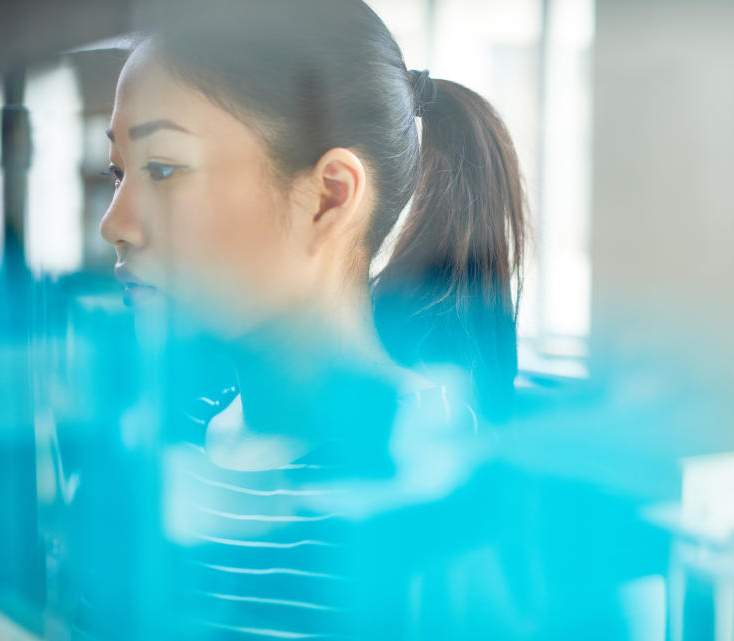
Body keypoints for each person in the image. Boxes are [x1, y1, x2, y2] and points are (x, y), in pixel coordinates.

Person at [90, 1, 528, 639]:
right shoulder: (157, 440)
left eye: (163, 169)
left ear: (328, 198)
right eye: (118, 174)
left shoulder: (442, 490)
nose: (114, 225)